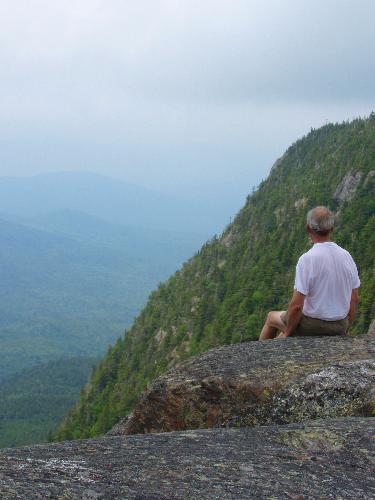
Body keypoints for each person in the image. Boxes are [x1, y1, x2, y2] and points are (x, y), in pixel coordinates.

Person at [259, 206, 360, 340]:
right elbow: (355, 298)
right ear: (332, 229)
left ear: (308, 228)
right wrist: (345, 328)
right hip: (339, 326)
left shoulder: (307, 259)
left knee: (271, 317)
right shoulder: (346, 256)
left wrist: (288, 333)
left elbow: (296, 307)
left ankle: (263, 356)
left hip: (312, 326)